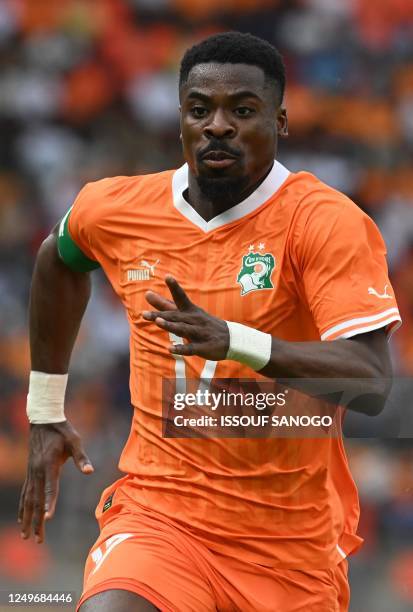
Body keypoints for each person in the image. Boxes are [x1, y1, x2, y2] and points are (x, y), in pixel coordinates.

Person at [18, 32, 401, 612]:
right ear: (180, 121)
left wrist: (238, 343)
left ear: (281, 120)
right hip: (161, 520)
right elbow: (57, 260)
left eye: (242, 111)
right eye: (200, 109)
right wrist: (46, 410)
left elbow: (371, 380)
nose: (217, 125)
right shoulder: (117, 209)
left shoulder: (323, 222)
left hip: (289, 550)